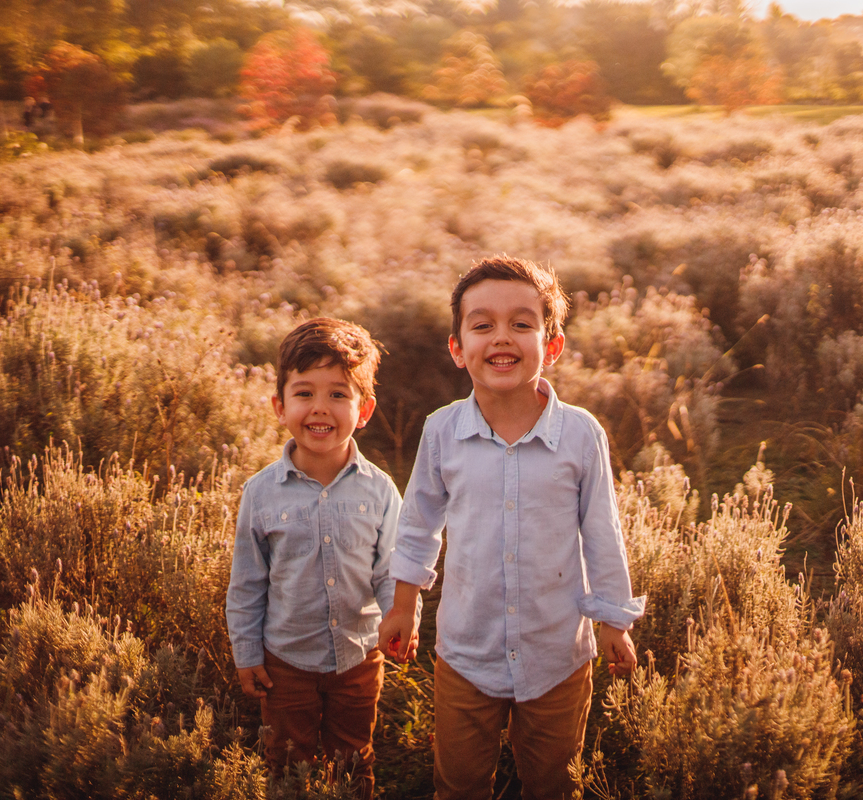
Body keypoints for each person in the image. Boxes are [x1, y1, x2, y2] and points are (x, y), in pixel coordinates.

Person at [379, 256, 645, 800]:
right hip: (465, 655)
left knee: (552, 784)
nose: (502, 338)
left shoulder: (580, 434)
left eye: (522, 324)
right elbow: (419, 522)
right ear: (458, 348)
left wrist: (614, 621)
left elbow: (602, 533)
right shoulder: (442, 432)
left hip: (557, 659)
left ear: (552, 345)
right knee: (458, 784)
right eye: (482, 325)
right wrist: (404, 602)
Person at [226, 317, 414, 797]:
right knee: (289, 765)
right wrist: (247, 653)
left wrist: (399, 618)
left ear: (364, 408)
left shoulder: (380, 490)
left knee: (354, 758)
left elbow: (390, 569)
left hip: (358, 656)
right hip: (286, 661)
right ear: (279, 406)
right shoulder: (262, 493)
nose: (320, 409)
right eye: (304, 393)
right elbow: (248, 581)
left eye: (338, 394)